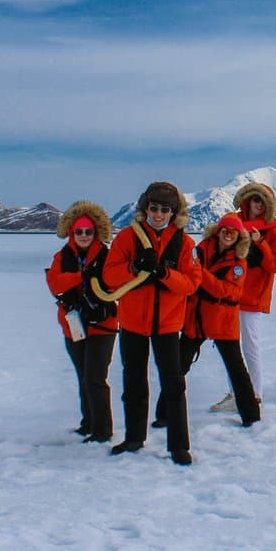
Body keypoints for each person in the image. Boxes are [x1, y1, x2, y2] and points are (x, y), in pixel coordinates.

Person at [101, 181, 199, 465]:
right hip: (133, 323)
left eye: (164, 210)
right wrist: (133, 268)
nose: (158, 215)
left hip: (167, 325)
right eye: (154, 208)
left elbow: (191, 283)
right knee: (133, 382)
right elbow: (109, 276)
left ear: (173, 212)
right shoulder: (127, 238)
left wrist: (164, 274)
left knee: (173, 385)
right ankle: (134, 437)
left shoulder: (184, 244)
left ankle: (178, 445)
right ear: (145, 208)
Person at [173, 212, 261, 427]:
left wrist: (200, 274)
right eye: (225, 230)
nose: (228, 235)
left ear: (238, 236)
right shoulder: (201, 250)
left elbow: (226, 291)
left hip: (223, 320)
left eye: (233, 232)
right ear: (218, 231)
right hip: (197, 318)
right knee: (177, 367)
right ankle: (166, 413)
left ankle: (251, 416)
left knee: (236, 369)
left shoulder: (239, 262)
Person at [210, 182, 276, 412]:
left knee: (250, 346)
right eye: (256, 200)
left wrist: (260, 244)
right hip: (229, 293)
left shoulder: (274, 232)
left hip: (253, 298)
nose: (259, 205)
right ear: (248, 200)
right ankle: (235, 392)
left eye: (264, 202)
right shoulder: (233, 221)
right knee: (230, 347)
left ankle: (255, 395)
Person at [44, 200, 118, 442]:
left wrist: (80, 279)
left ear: (96, 232)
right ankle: (88, 423)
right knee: (84, 376)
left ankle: (102, 430)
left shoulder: (108, 256)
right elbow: (54, 284)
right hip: (73, 325)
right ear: (71, 232)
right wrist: (82, 276)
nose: (84, 236)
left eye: (88, 231)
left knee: (95, 377)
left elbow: (116, 282)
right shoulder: (61, 256)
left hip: (102, 325)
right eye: (79, 231)